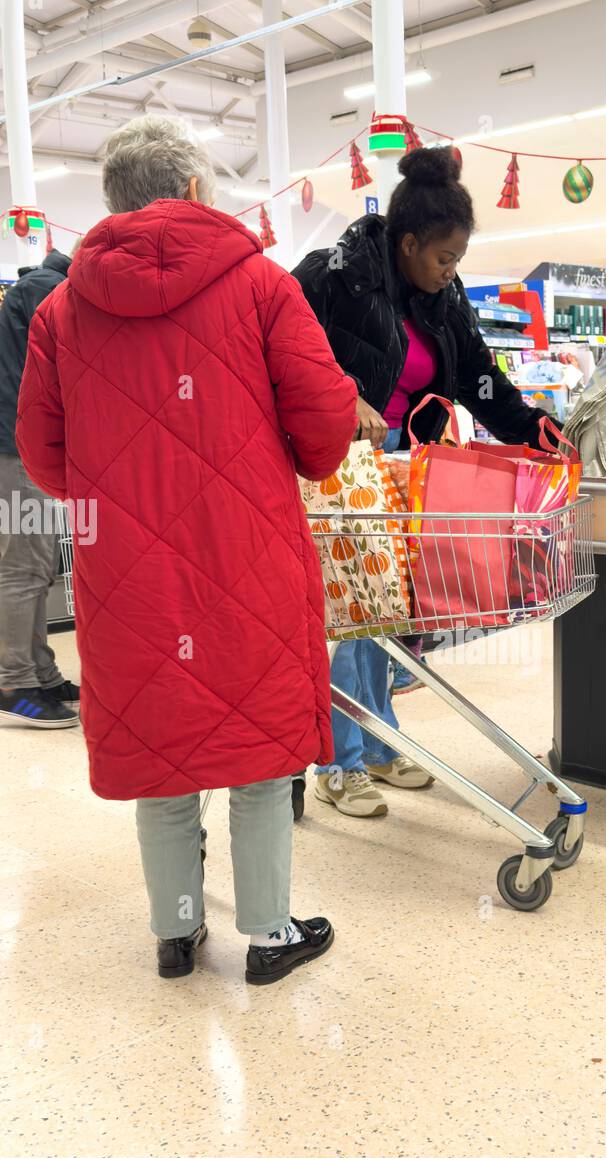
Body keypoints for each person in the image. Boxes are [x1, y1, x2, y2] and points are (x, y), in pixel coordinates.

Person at [16, 115, 358, 985]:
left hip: (124, 572)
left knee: (159, 741)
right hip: (249, 554)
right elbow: (324, 428)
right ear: (200, 190)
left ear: (113, 206)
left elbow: (44, 455)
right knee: (256, 745)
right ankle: (269, 934)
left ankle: (175, 933)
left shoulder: (60, 311)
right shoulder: (262, 286)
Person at [293, 145, 548, 818]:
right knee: (349, 618)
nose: (451, 270)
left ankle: (378, 744)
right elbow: (273, 347)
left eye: (458, 259)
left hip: (403, 475)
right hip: (332, 477)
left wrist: (534, 428)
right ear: (408, 244)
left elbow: (479, 378)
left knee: (386, 610)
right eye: (444, 258)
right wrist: (337, 392)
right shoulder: (331, 276)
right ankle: (338, 762)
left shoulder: (444, 299)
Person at [0, 244, 79, 729]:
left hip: (25, 443)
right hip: (16, 445)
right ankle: (14, 683)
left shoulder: (41, 286)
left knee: (38, 565)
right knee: (24, 566)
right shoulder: (47, 290)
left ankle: (42, 675)